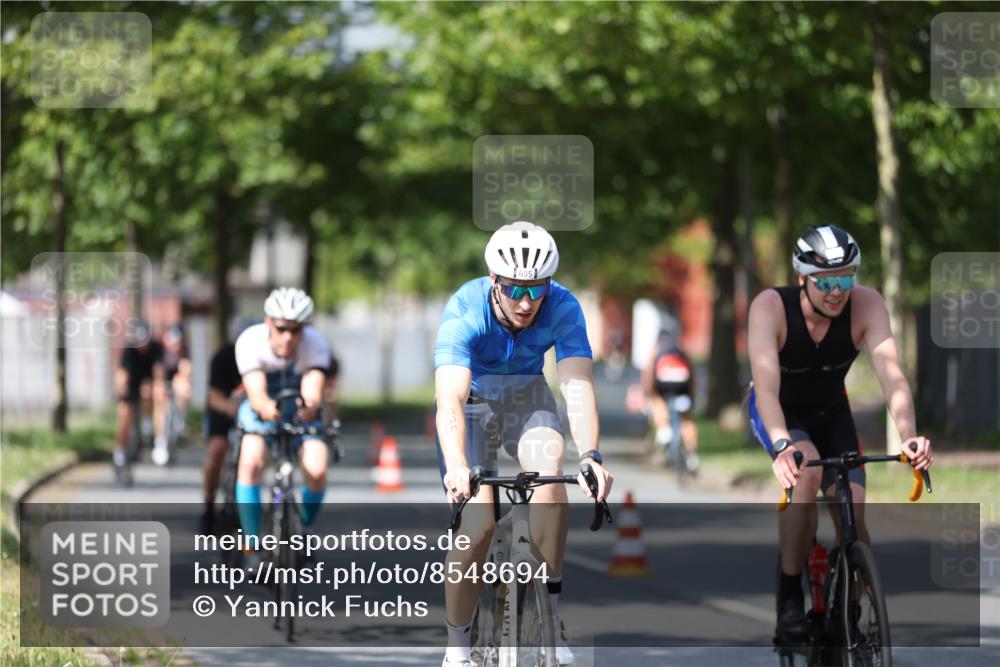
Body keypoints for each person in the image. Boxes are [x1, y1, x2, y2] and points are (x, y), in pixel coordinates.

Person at [434, 221, 613, 667]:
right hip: (472, 404)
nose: (528, 301)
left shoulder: (564, 306)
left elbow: (577, 386)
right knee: (477, 528)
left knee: (552, 476)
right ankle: (457, 649)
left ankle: (549, 617)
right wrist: (457, 464)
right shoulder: (465, 309)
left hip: (527, 395)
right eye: (515, 290)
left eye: (538, 289)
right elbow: (450, 399)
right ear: (495, 281)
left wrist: (590, 455)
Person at [746, 224, 933, 638]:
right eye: (826, 281)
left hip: (832, 411)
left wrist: (909, 436)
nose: (837, 290)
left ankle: (848, 608)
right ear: (802, 279)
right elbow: (766, 389)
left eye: (846, 277)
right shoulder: (770, 308)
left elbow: (893, 378)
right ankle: (791, 596)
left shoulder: (866, 305)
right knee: (807, 470)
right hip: (779, 411)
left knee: (854, 507)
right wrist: (781, 446)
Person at [234, 288, 332, 564]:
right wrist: (265, 407)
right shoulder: (250, 341)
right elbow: (256, 392)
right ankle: (252, 548)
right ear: (268, 323)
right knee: (251, 462)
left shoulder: (316, 344)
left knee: (317, 466)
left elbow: (313, 385)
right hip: (261, 407)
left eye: (296, 329)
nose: (289, 337)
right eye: (281, 329)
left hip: (298, 407)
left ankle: (303, 527)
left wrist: (310, 405)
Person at [200, 317, 259, 534]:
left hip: (253, 414)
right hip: (224, 412)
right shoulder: (222, 358)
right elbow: (213, 396)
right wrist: (230, 409)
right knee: (216, 450)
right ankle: (208, 506)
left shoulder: (265, 359)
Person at [641, 326, 699, 472]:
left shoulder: (657, 350)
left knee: (657, 400)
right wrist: (692, 394)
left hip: (663, 384)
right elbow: (692, 372)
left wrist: (649, 394)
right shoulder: (680, 349)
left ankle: (664, 431)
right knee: (686, 419)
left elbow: (648, 375)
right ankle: (692, 458)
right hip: (682, 385)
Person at [113, 321, 162, 473]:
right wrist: (123, 391)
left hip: (147, 381)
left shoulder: (156, 348)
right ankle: (119, 452)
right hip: (131, 382)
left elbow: (158, 370)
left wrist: (158, 387)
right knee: (124, 416)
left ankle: (148, 426)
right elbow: (122, 374)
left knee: (150, 393)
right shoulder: (128, 350)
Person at [152, 324, 192, 466]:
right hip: (162, 377)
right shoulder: (159, 349)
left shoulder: (184, 349)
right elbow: (158, 372)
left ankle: (180, 419)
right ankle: (160, 439)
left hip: (176, 376)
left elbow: (185, 368)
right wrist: (160, 387)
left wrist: (184, 383)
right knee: (160, 398)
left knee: (183, 386)